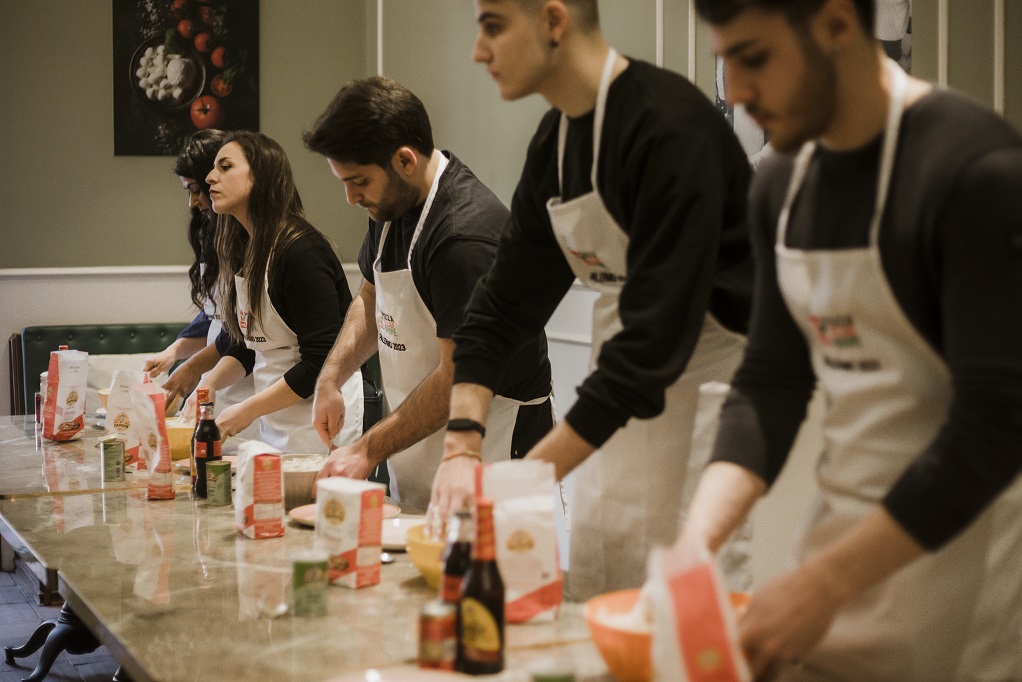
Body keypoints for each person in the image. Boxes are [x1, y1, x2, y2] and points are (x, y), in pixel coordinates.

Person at [675, 0, 1022, 679]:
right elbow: (770, 383)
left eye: (754, 59)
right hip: (836, 568)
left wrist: (824, 584)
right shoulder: (779, 183)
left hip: (962, 585)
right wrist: (697, 540)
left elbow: (995, 426)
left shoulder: (972, 170)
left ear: (836, 25)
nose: (735, 92)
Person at [431, 0, 755, 601]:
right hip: (616, 410)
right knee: (605, 586)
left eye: (492, 25)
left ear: (554, 21)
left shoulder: (668, 129)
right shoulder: (557, 142)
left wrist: (527, 476)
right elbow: (502, 306)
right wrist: (461, 443)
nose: (478, 51)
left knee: (691, 611)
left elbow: (655, 343)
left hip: (713, 401)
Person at [302, 77, 555, 512]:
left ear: (404, 160)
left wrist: (365, 450)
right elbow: (370, 295)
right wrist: (331, 377)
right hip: (422, 442)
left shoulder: (461, 237)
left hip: (493, 442)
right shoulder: (390, 204)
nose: (349, 197)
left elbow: (459, 375)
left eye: (358, 181)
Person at [194, 131, 364, 453]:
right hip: (278, 419)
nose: (210, 177)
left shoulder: (302, 252)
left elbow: (320, 360)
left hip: (322, 418)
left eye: (225, 166)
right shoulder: (248, 250)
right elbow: (249, 345)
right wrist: (209, 384)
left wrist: (245, 411)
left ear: (261, 177)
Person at [144, 131, 257, 432]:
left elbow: (241, 331)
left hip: (255, 391)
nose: (193, 202)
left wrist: (194, 369)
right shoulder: (214, 235)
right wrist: (175, 353)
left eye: (197, 189)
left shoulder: (255, 243)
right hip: (225, 385)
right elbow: (215, 314)